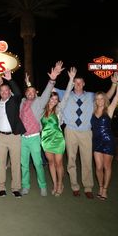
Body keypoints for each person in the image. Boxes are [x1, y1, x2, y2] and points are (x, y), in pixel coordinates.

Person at [55, 70, 118, 199]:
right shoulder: (64, 93)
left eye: (80, 82)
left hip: (86, 132)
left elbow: (106, 97)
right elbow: (49, 89)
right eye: (75, 82)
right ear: (72, 83)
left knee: (87, 160)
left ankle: (88, 187)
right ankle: (74, 186)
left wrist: (114, 84)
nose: (77, 85)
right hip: (71, 130)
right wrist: (53, 77)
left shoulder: (91, 96)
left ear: (84, 84)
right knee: (71, 160)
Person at [19, 61, 64, 197]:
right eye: (29, 92)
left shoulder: (39, 102)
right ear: (26, 93)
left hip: (34, 138)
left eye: (33, 92)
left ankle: (43, 186)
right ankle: (25, 186)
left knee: (38, 164)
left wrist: (52, 79)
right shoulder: (22, 102)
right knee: (24, 165)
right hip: (23, 139)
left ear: (35, 94)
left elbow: (46, 93)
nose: (31, 93)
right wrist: (28, 85)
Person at [40, 67, 76, 197]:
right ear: (49, 99)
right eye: (52, 99)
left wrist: (71, 79)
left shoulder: (59, 109)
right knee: (51, 163)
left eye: (56, 100)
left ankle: (60, 184)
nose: (54, 101)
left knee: (59, 163)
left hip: (58, 139)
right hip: (45, 140)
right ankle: (54, 184)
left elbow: (66, 95)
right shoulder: (41, 111)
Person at [92, 70, 118, 200]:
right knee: (98, 167)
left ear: (104, 99)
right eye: (97, 99)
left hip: (108, 141)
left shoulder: (109, 109)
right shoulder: (93, 111)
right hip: (96, 141)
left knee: (107, 167)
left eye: (101, 98)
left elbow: (117, 95)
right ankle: (100, 186)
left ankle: (105, 189)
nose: (99, 100)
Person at [0, 70, 26, 198]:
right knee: (1, 163)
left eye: (6, 90)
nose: (4, 93)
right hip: (0, 137)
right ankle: (1, 187)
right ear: (0, 92)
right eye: (2, 91)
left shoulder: (14, 101)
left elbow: (18, 93)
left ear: (9, 92)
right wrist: (2, 84)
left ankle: (15, 188)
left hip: (14, 136)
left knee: (15, 162)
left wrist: (10, 80)